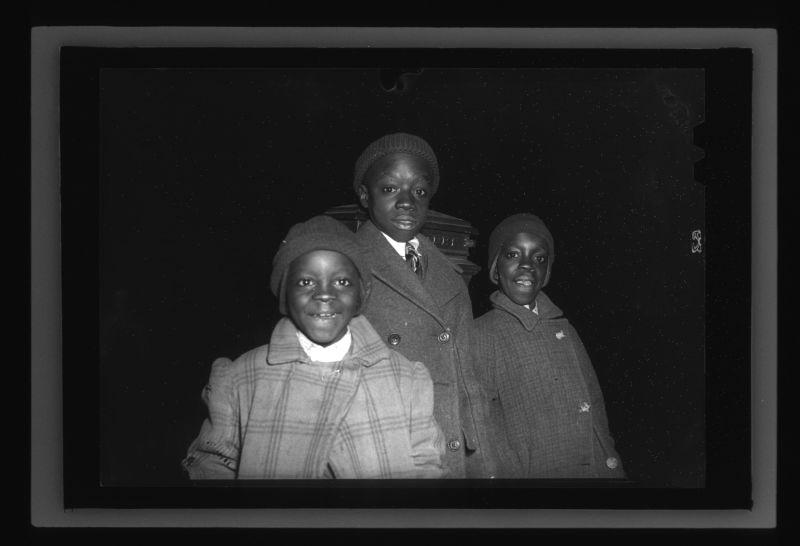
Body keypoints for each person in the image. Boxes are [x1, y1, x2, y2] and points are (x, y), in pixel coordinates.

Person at [181, 215, 444, 479]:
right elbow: (211, 466)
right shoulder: (240, 379)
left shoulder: (406, 379)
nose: (324, 294)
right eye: (306, 282)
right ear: (284, 295)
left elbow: (427, 469)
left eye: (342, 282)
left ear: (362, 295)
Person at [352, 132, 495, 478]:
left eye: (419, 191)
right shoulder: (346, 268)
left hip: (453, 451)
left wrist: (485, 462)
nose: (407, 202)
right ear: (363, 194)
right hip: (390, 457)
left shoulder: (451, 276)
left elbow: (468, 382)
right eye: (389, 189)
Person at [473, 213, 626, 479]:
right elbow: (483, 431)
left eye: (539, 258)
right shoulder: (481, 334)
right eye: (512, 255)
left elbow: (595, 407)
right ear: (496, 268)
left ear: (546, 273)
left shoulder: (563, 327)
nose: (527, 265)